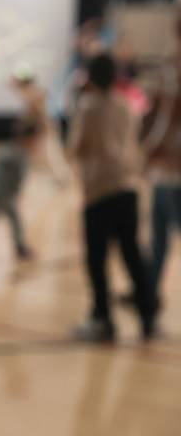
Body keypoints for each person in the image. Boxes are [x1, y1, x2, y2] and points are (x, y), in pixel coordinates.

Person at [68, 53, 157, 342]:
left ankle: (102, 318)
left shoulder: (88, 107)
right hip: (128, 185)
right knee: (132, 253)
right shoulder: (128, 105)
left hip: (99, 190)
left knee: (97, 258)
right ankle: (147, 316)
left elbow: (77, 147)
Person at [0, 75, 45, 261]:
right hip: (3, 195)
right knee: (14, 221)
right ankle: (19, 247)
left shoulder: (6, 149)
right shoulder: (21, 157)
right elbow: (18, 181)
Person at [143, 15, 181, 308]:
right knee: (157, 233)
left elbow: (166, 118)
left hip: (172, 167)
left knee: (162, 231)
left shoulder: (173, 66)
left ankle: (150, 290)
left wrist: (147, 151)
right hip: (167, 168)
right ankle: (149, 290)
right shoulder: (170, 64)